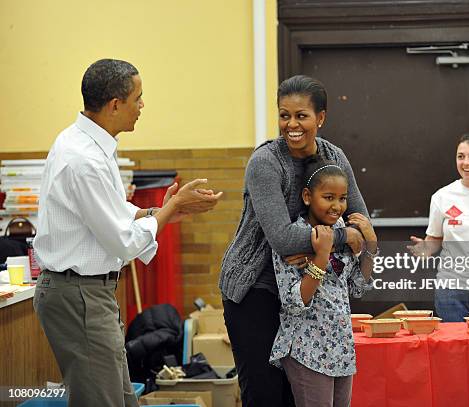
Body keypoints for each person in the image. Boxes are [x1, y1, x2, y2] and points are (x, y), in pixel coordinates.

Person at [33, 58, 223, 407]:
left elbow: (113, 212)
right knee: (102, 401)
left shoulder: (88, 143)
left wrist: (162, 210)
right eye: (138, 97)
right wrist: (167, 211)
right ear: (115, 104)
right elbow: (122, 242)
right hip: (78, 295)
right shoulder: (83, 158)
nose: (142, 105)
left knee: (121, 399)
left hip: (88, 294)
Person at [219, 75, 369, 407]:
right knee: (266, 394)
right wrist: (339, 238)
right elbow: (284, 239)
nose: (292, 124)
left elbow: (363, 220)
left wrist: (339, 241)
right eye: (284, 115)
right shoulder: (265, 163)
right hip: (255, 289)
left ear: (321, 118)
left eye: (301, 115)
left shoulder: (335, 156)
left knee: (299, 397)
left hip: (309, 297)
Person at [270, 157, 376, 407]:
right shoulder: (293, 238)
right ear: (308, 196)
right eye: (328, 197)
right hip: (307, 347)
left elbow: (357, 287)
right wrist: (320, 256)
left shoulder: (344, 231)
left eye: (342, 198)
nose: (337, 206)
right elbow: (294, 302)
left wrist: (371, 244)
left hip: (340, 347)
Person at [409, 134, 469, 321]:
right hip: (451, 290)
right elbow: (435, 239)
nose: (466, 162)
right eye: (460, 156)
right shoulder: (442, 196)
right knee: (454, 347)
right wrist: (426, 248)